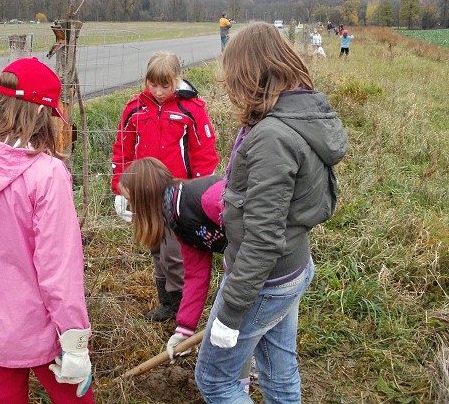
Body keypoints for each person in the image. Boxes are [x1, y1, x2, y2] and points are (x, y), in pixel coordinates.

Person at [194, 22, 348, 402]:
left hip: (264, 281)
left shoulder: (272, 137)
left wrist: (230, 314)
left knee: (215, 380)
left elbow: (262, 239)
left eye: (233, 77)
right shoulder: (295, 118)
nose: (229, 87)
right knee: (279, 370)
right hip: (292, 267)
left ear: (250, 74)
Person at [0, 57, 95, 404]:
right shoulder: (47, 175)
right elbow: (59, 267)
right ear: (42, 114)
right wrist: (74, 341)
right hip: (43, 328)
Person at [118, 157, 257, 392]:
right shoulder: (177, 218)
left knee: (217, 372)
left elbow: (256, 231)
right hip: (253, 270)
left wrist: (237, 283)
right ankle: (243, 383)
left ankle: (237, 386)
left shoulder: (203, 197)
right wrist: (184, 328)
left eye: (131, 201)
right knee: (275, 357)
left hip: (264, 268)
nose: (131, 209)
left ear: (145, 195)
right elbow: (195, 275)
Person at [111, 51, 219, 323]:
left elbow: (204, 153)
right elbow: (122, 150)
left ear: (177, 80)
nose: (158, 91)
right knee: (156, 248)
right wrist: (120, 188)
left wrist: (199, 193)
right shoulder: (134, 108)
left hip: (179, 195)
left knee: (175, 253)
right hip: (145, 194)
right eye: (153, 84)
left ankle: (186, 307)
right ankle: (168, 304)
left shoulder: (191, 110)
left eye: (165, 85)